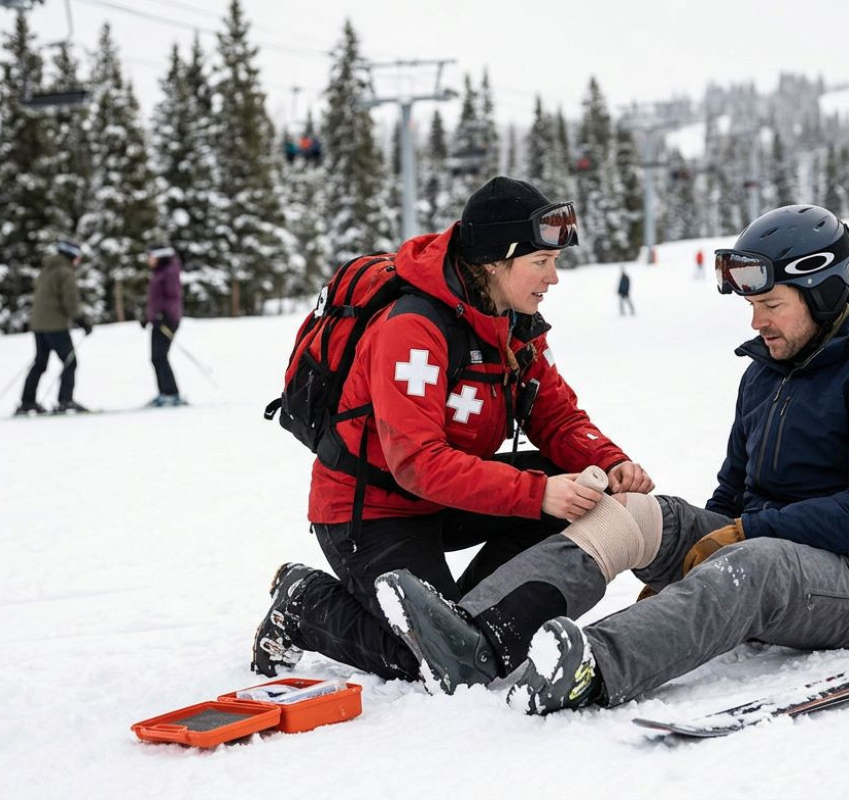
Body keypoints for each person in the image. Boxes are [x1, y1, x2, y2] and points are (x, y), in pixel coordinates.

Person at [377, 204, 849, 713]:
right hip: (769, 554)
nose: (757, 322)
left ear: (824, 295)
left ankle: (592, 667)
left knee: (754, 563)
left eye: (771, 304)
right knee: (639, 511)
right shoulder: (765, 375)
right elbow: (730, 498)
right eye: (753, 305)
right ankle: (476, 635)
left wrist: (743, 535)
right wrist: (690, 557)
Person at [250, 176, 655, 683]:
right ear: (493, 261)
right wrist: (536, 494)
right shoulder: (412, 328)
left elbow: (556, 415)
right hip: (370, 510)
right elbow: (417, 462)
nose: (553, 278)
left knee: (577, 489)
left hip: (448, 497)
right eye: (540, 263)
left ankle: (471, 618)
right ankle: (304, 603)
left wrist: (610, 462)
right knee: (424, 661)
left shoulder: (512, 320)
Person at [17, 240, 94, 415]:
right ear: (72, 256)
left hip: (39, 325)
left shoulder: (47, 270)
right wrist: (81, 320)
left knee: (40, 363)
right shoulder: (65, 272)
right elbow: (69, 301)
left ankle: (27, 401)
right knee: (70, 362)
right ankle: (65, 401)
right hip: (55, 325)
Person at [142, 243, 184, 407]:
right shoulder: (159, 273)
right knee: (156, 357)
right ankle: (164, 392)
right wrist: (149, 317)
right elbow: (156, 299)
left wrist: (164, 316)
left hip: (167, 321)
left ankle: (171, 393)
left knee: (160, 356)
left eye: (151, 256)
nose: (149, 260)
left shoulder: (170, 272)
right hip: (159, 320)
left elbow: (173, 296)